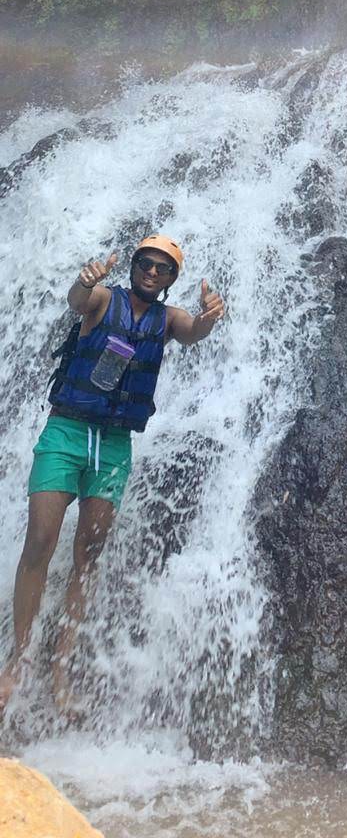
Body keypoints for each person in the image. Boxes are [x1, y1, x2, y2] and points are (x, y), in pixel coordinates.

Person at [0, 235, 225, 716]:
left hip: (115, 445)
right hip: (67, 431)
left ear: (171, 280)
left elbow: (192, 331)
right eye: (146, 263)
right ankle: (18, 662)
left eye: (163, 269)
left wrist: (207, 319)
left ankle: (60, 668)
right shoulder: (105, 300)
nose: (152, 272)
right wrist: (83, 283)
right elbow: (79, 301)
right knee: (40, 541)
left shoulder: (167, 320)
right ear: (135, 266)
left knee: (89, 554)